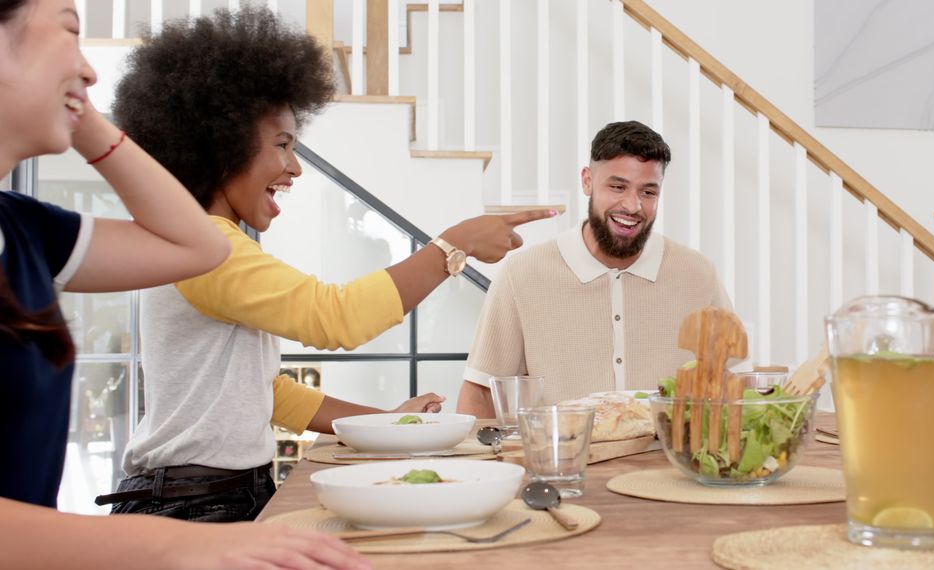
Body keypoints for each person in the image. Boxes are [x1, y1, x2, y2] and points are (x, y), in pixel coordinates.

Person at [98, 6, 555, 521]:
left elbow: (268, 394)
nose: (294, 167)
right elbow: (333, 317)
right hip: (195, 503)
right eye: (283, 145)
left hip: (212, 493)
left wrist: (386, 424)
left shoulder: (210, 241)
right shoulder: (206, 247)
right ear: (219, 143)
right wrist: (453, 245)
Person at [0, 1, 370, 568]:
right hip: (190, 505)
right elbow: (332, 315)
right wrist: (191, 542)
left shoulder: (24, 229)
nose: (91, 69)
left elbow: (197, 246)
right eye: (72, 31)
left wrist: (92, 125)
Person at [457, 121, 733, 414]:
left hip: (667, 459)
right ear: (587, 181)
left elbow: (735, 383)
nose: (633, 205)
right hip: (559, 457)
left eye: (648, 192)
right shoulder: (522, 275)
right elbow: (481, 394)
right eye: (617, 187)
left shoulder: (698, 275)